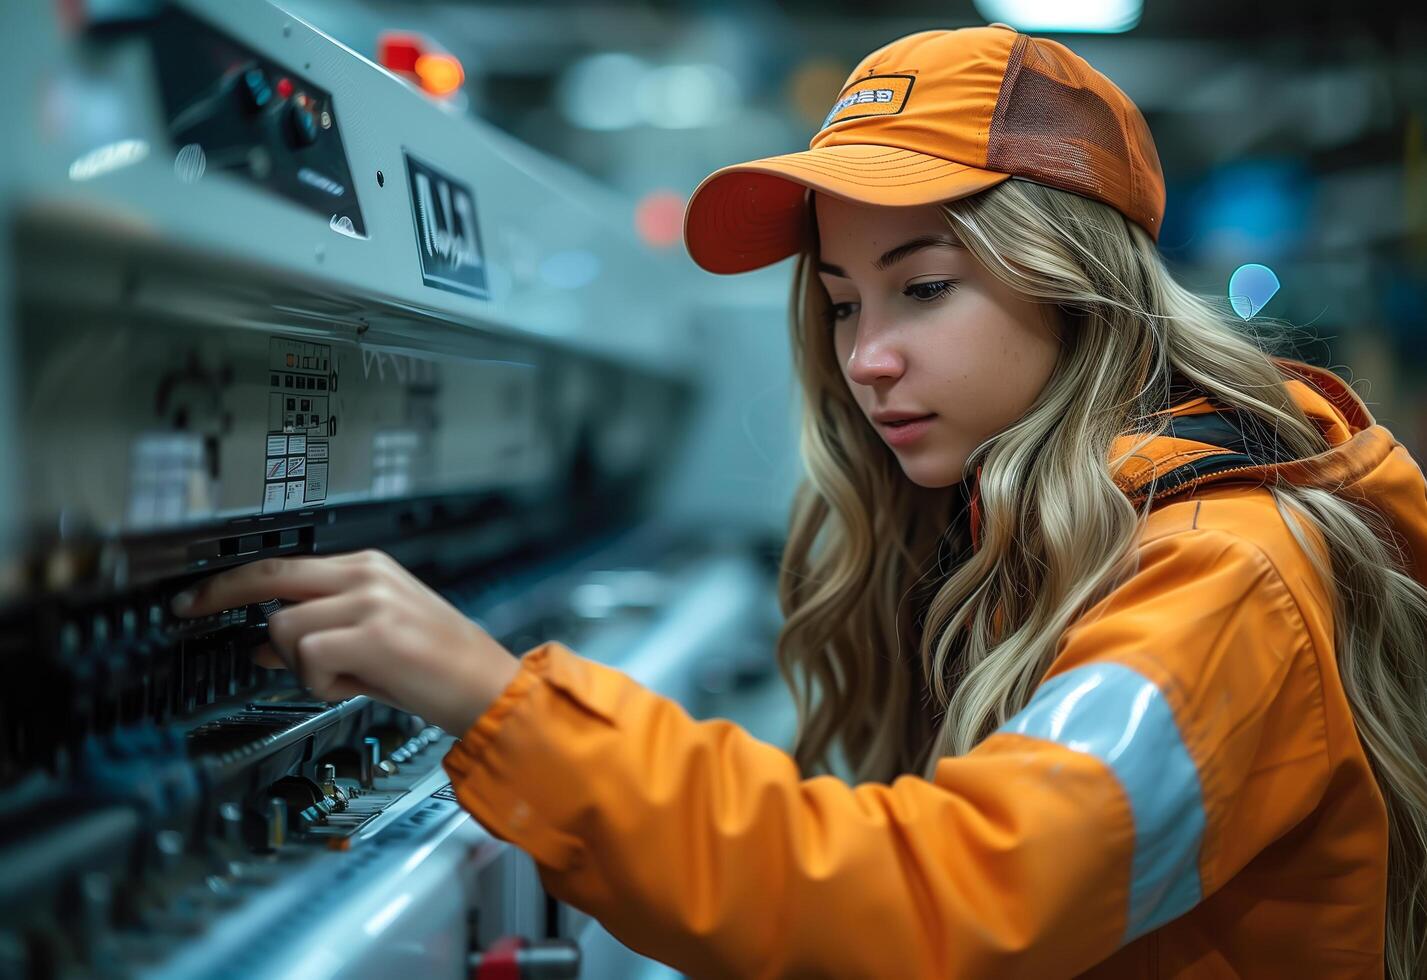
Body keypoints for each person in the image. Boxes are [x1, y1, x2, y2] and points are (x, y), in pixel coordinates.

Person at [170, 25, 1427, 979]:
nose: (863, 355)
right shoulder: (1016, 540)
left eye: (921, 287)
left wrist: (495, 698)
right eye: (839, 303)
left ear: (1071, 277)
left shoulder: (1225, 577)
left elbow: (946, 895)